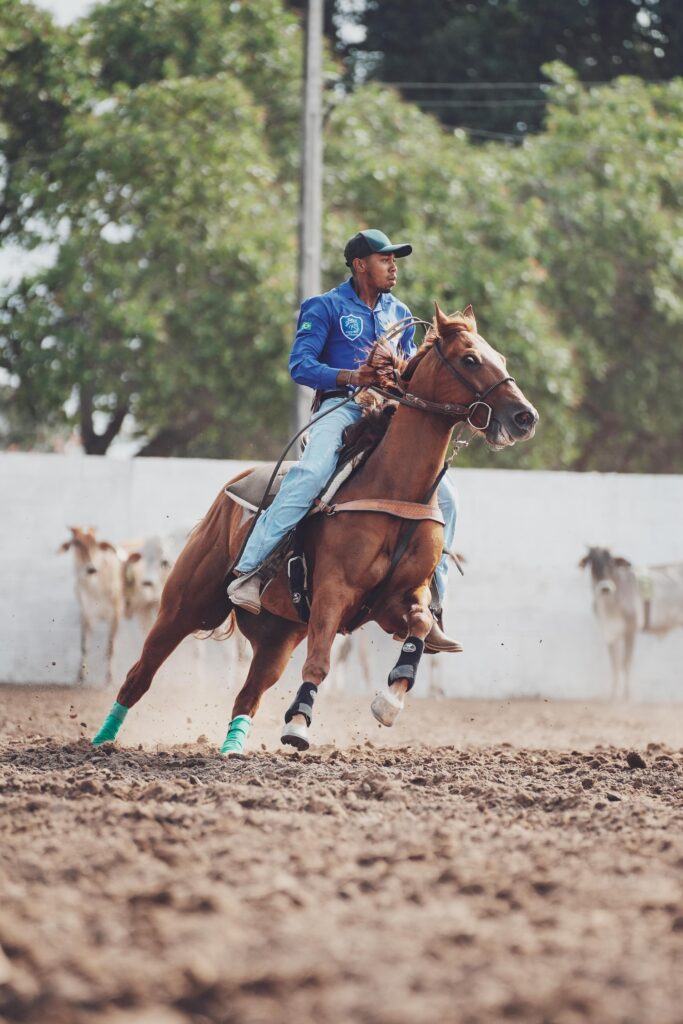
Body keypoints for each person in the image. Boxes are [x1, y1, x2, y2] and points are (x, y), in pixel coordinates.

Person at [227, 228, 460, 653]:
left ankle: (435, 604)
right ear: (359, 265)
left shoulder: (399, 311)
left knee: (447, 500)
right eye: (385, 259)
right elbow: (301, 365)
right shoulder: (325, 307)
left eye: (395, 260)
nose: (393, 267)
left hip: (390, 413)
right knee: (313, 472)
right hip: (340, 408)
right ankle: (251, 571)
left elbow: (406, 372)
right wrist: (354, 377)